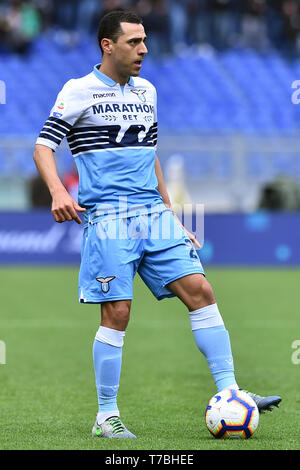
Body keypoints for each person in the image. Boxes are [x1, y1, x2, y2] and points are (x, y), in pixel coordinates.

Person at [33, 10, 281, 439]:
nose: (144, 49)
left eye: (144, 40)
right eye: (134, 42)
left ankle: (230, 393)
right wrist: (58, 191)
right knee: (118, 312)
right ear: (107, 45)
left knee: (201, 291)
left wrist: (172, 215)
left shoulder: (147, 90)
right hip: (109, 216)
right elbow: (43, 146)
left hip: (153, 213)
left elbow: (150, 155)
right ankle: (105, 417)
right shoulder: (78, 91)